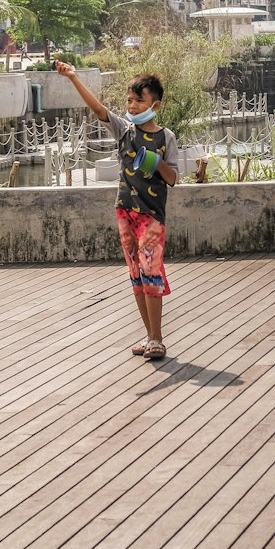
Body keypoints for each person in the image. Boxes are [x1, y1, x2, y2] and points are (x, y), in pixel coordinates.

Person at [55, 61, 179, 360]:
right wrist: (73, 77)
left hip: (151, 216)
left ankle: (158, 338)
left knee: (151, 273)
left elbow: (173, 178)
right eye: (130, 100)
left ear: (155, 105)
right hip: (125, 212)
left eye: (140, 101)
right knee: (137, 275)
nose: (132, 106)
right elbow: (99, 111)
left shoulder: (166, 138)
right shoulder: (124, 131)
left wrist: (155, 162)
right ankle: (150, 337)